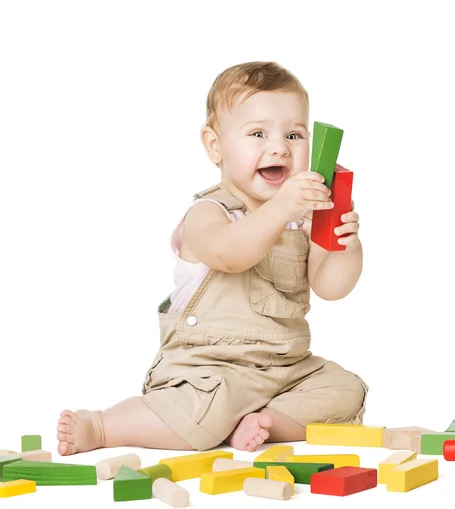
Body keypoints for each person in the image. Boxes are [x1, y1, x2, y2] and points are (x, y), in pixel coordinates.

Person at [56, 61, 368, 456]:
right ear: (215, 145)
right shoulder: (209, 212)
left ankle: (259, 424)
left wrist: (345, 244)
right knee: (203, 409)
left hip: (286, 370)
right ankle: (103, 426)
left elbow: (330, 286)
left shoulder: (302, 218)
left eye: (294, 134)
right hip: (208, 370)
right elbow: (229, 254)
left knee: (345, 389)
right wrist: (283, 208)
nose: (279, 147)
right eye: (258, 133)